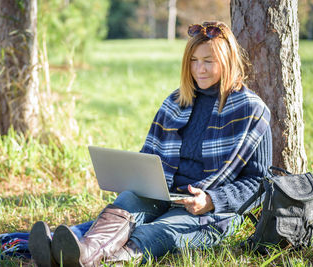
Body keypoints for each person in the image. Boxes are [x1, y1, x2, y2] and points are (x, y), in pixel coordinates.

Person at [28, 21, 272, 267]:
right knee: (123, 210)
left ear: (227, 61)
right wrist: (139, 181)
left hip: (212, 210)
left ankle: (92, 261)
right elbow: (149, 158)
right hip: (164, 195)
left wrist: (212, 199)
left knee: (152, 233)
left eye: (209, 61)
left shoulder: (251, 110)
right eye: (193, 61)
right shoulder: (176, 102)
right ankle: (82, 254)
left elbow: (259, 184)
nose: (200, 69)